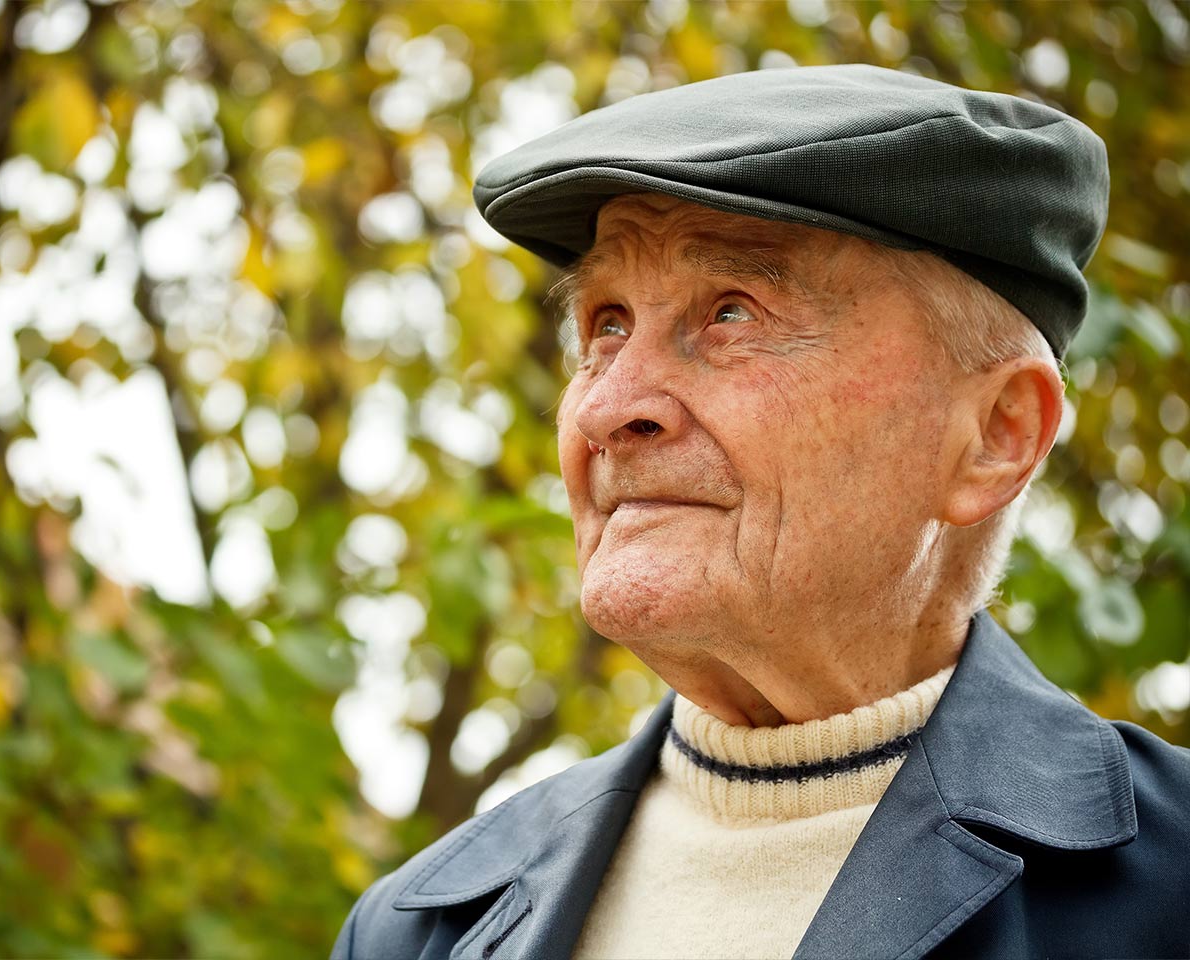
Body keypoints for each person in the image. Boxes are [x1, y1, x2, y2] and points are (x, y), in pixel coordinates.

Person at [331, 64, 1190, 960]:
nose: (606, 409)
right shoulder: (418, 928)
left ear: (996, 434)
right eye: (607, 324)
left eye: (732, 312)